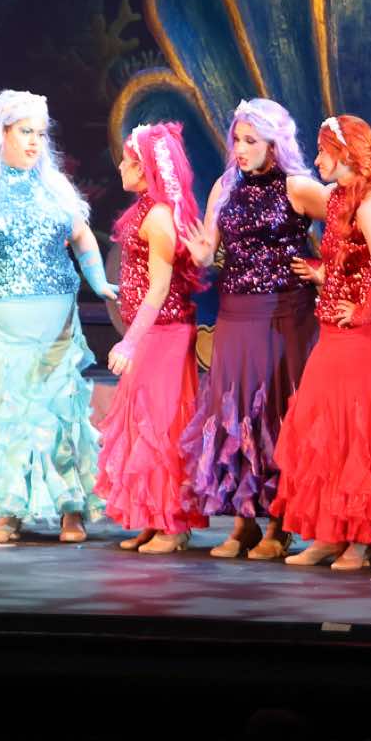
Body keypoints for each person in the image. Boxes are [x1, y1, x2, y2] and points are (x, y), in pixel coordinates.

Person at [0, 89, 112, 545]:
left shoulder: (54, 186)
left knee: (60, 411)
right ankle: (8, 512)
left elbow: (83, 237)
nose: (34, 142)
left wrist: (100, 281)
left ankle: (71, 508)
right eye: (26, 132)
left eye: (40, 134)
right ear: (1, 133)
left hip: (55, 319)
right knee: (5, 414)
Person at [178, 98, 326, 558]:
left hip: (283, 315)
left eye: (250, 141)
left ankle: (280, 526)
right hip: (235, 313)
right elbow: (209, 250)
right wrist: (202, 253)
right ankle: (244, 523)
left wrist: (326, 269)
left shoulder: (298, 187)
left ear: (274, 144)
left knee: (276, 412)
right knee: (236, 413)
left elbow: (354, 220)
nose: (240, 149)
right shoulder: (226, 185)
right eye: (237, 140)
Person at [270, 115, 371, 570]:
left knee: (358, 433)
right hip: (334, 332)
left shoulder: (366, 206)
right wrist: (324, 275)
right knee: (324, 429)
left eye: (324, 151)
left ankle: (360, 540)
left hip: (363, 337)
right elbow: (355, 265)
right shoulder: (340, 200)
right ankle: (330, 533)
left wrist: (362, 311)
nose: (317, 159)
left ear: (346, 154)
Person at [96, 122, 207, 552]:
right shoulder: (145, 208)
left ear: (144, 169)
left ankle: (172, 524)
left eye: (127, 161)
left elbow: (159, 289)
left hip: (165, 334)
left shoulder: (159, 216)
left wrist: (128, 342)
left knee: (160, 426)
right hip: (151, 333)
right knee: (143, 424)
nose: (120, 167)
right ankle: (152, 515)